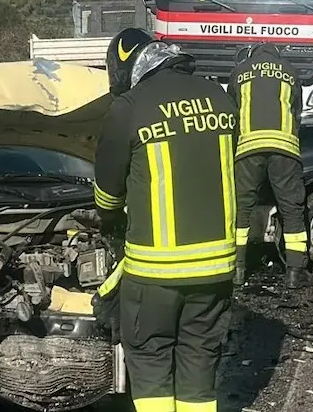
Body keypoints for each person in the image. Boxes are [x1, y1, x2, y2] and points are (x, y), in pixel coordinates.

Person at [92, 27, 238, 412]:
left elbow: (108, 190)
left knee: (151, 361)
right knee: (200, 361)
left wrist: (109, 220)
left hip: (154, 273)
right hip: (215, 270)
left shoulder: (130, 107)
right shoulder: (219, 98)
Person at [227, 42, 313, 289]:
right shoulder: (290, 71)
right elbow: (297, 111)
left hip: (248, 148)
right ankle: (295, 272)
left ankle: (237, 269)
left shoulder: (239, 71)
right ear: (278, 55)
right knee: (292, 209)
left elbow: (232, 112)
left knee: (241, 208)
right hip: (284, 148)